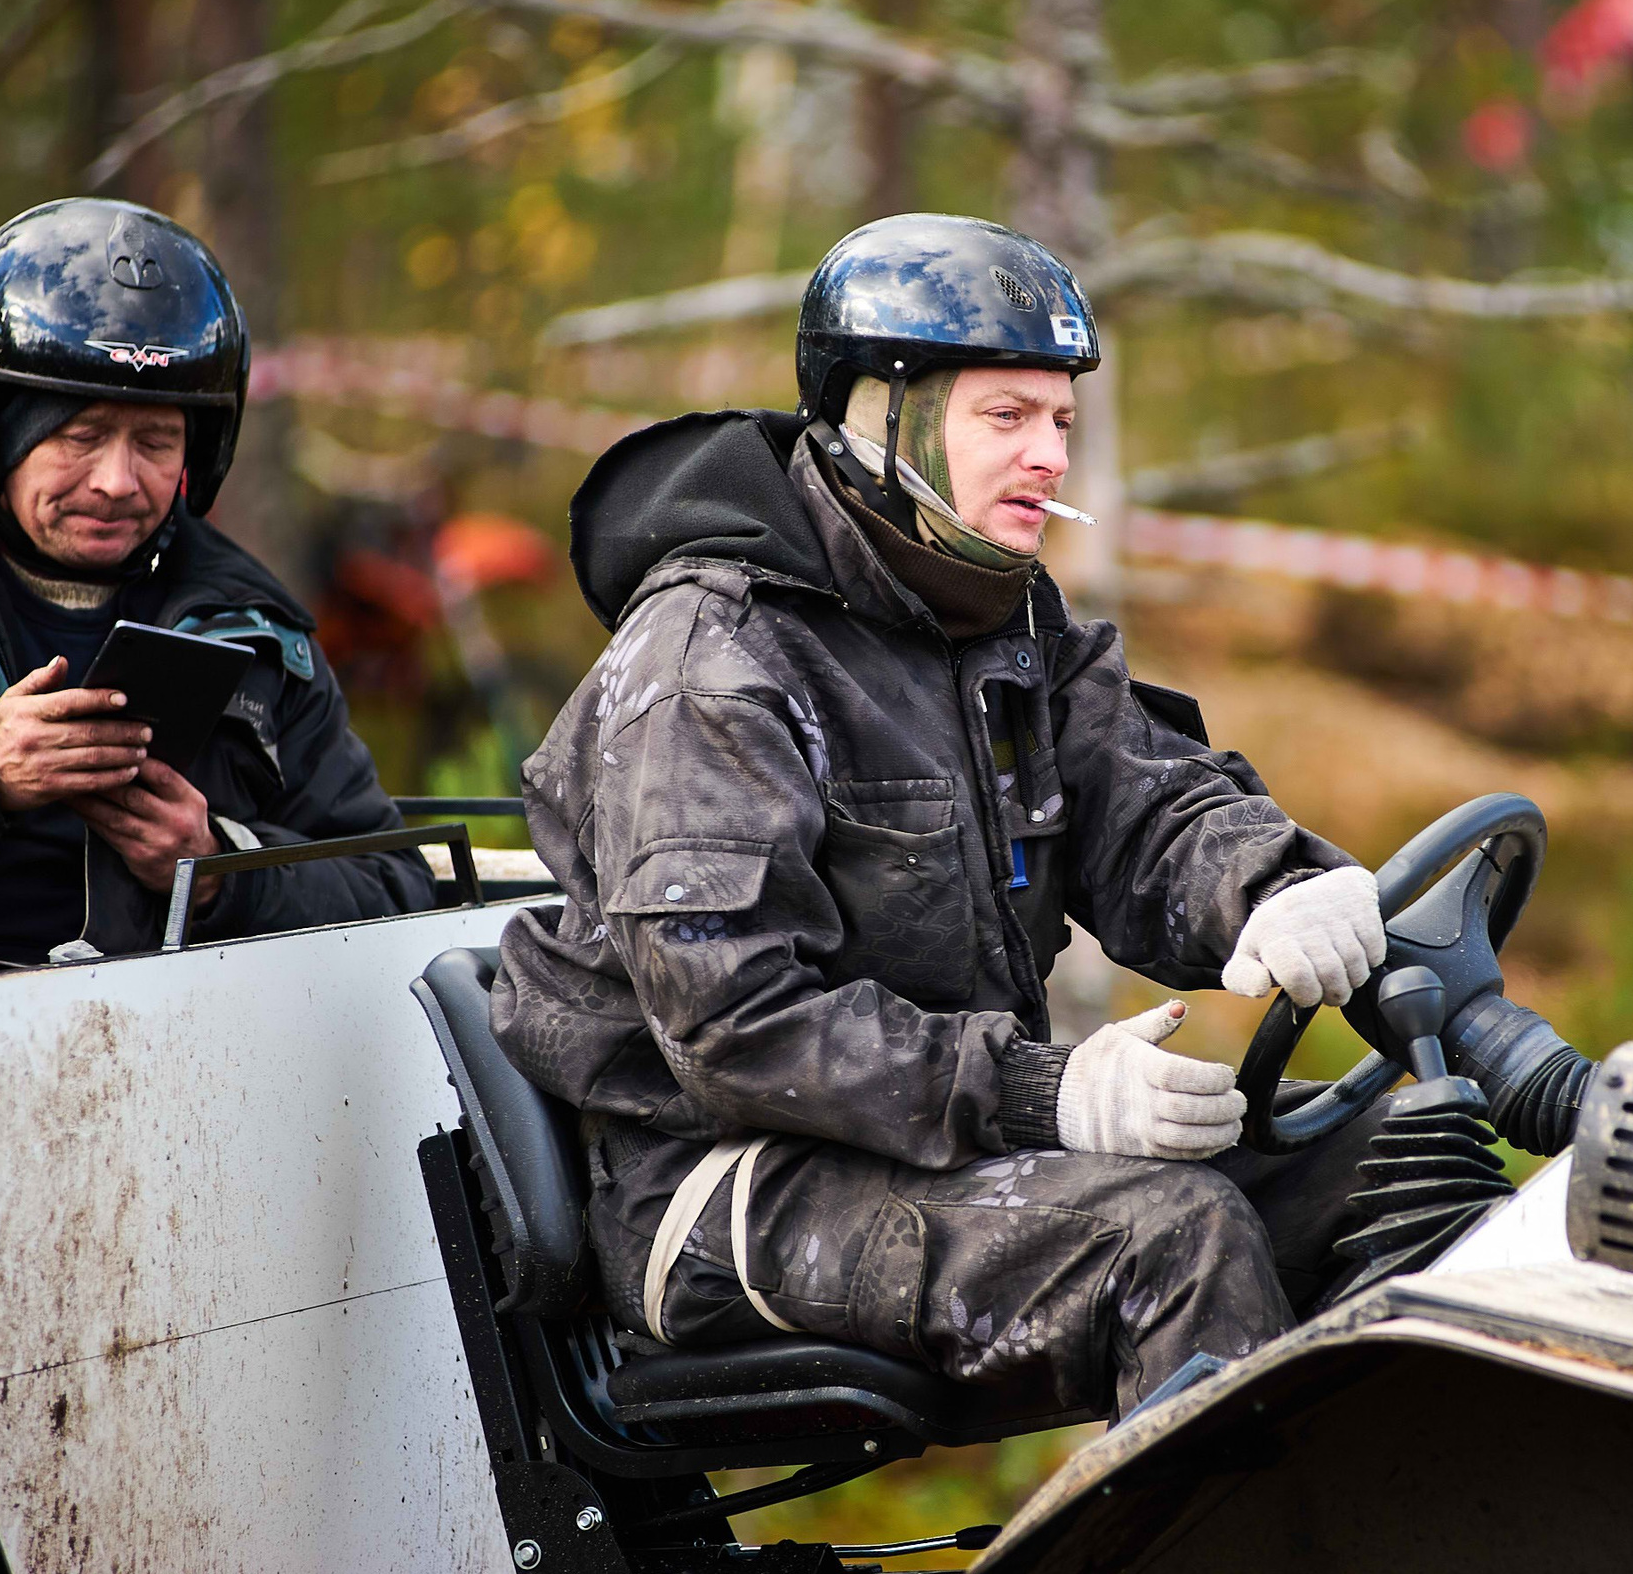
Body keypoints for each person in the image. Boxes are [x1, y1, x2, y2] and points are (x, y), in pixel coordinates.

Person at [493, 214, 1418, 1420]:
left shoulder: (1007, 617)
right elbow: (734, 1030)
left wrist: (1277, 881)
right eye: (1005, 417)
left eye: (1061, 422)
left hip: (942, 1149)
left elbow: (1141, 808)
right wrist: (1049, 1093)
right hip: (723, 1188)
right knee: (1170, 1237)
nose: (1048, 458)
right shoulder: (711, 659)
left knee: (1404, 1171)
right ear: (882, 417)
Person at [0, 197, 433, 971]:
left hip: (175, 1059)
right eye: (80, 436)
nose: (117, 482)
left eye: (155, 441)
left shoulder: (254, 630)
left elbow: (392, 886)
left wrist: (216, 869)